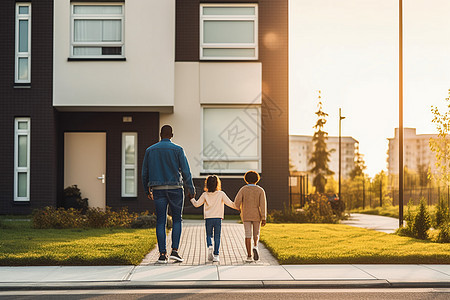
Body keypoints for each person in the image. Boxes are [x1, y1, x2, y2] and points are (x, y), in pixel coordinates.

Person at [142, 125, 195, 264]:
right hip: (176, 189)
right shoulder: (178, 150)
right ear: (172, 135)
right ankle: (175, 252)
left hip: (158, 189)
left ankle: (162, 255)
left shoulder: (150, 150)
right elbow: (186, 171)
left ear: (160, 134)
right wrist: (191, 188)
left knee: (161, 221)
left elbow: (144, 173)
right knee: (177, 219)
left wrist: (147, 189)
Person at [190, 175, 239, 262]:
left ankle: (210, 245)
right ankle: (216, 255)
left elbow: (197, 204)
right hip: (218, 219)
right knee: (217, 236)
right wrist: (238, 207)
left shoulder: (205, 194)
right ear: (217, 184)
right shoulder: (221, 194)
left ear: (207, 184)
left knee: (209, 235)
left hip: (208, 218)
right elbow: (230, 203)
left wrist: (192, 198)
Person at [234, 170, 267, 262]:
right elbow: (263, 205)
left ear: (246, 179)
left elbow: (237, 202)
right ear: (257, 179)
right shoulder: (260, 190)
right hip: (257, 215)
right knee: (256, 234)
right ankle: (255, 246)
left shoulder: (243, 189)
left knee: (248, 234)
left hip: (246, 215)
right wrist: (264, 218)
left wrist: (239, 208)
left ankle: (249, 256)